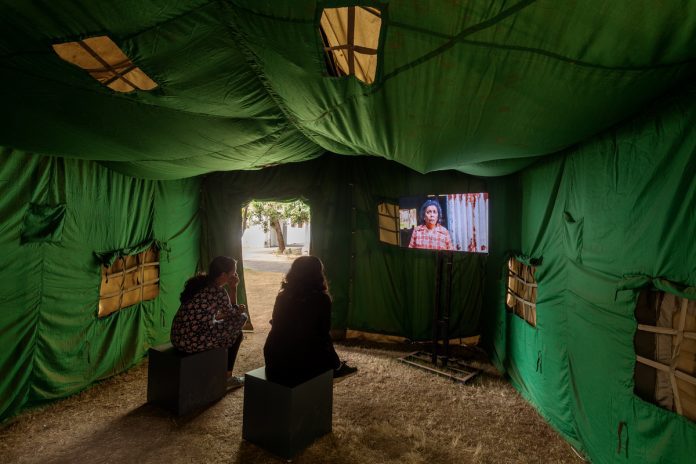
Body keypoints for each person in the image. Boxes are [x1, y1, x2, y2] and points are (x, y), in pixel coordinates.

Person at [264, 256, 357, 386]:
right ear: (317, 274)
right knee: (316, 346)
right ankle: (337, 367)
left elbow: (277, 325)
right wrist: (335, 363)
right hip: (303, 363)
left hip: (273, 358)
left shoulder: (282, 295)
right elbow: (323, 336)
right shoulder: (322, 299)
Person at [171, 256, 248, 389]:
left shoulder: (198, 283)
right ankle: (227, 379)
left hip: (177, 338)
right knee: (241, 318)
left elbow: (208, 315)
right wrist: (233, 288)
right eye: (233, 273)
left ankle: (225, 373)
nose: (235, 276)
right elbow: (231, 314)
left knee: (232, 329)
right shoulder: (218, 291)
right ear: (223, 275)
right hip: (192, 342)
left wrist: (229, 313)